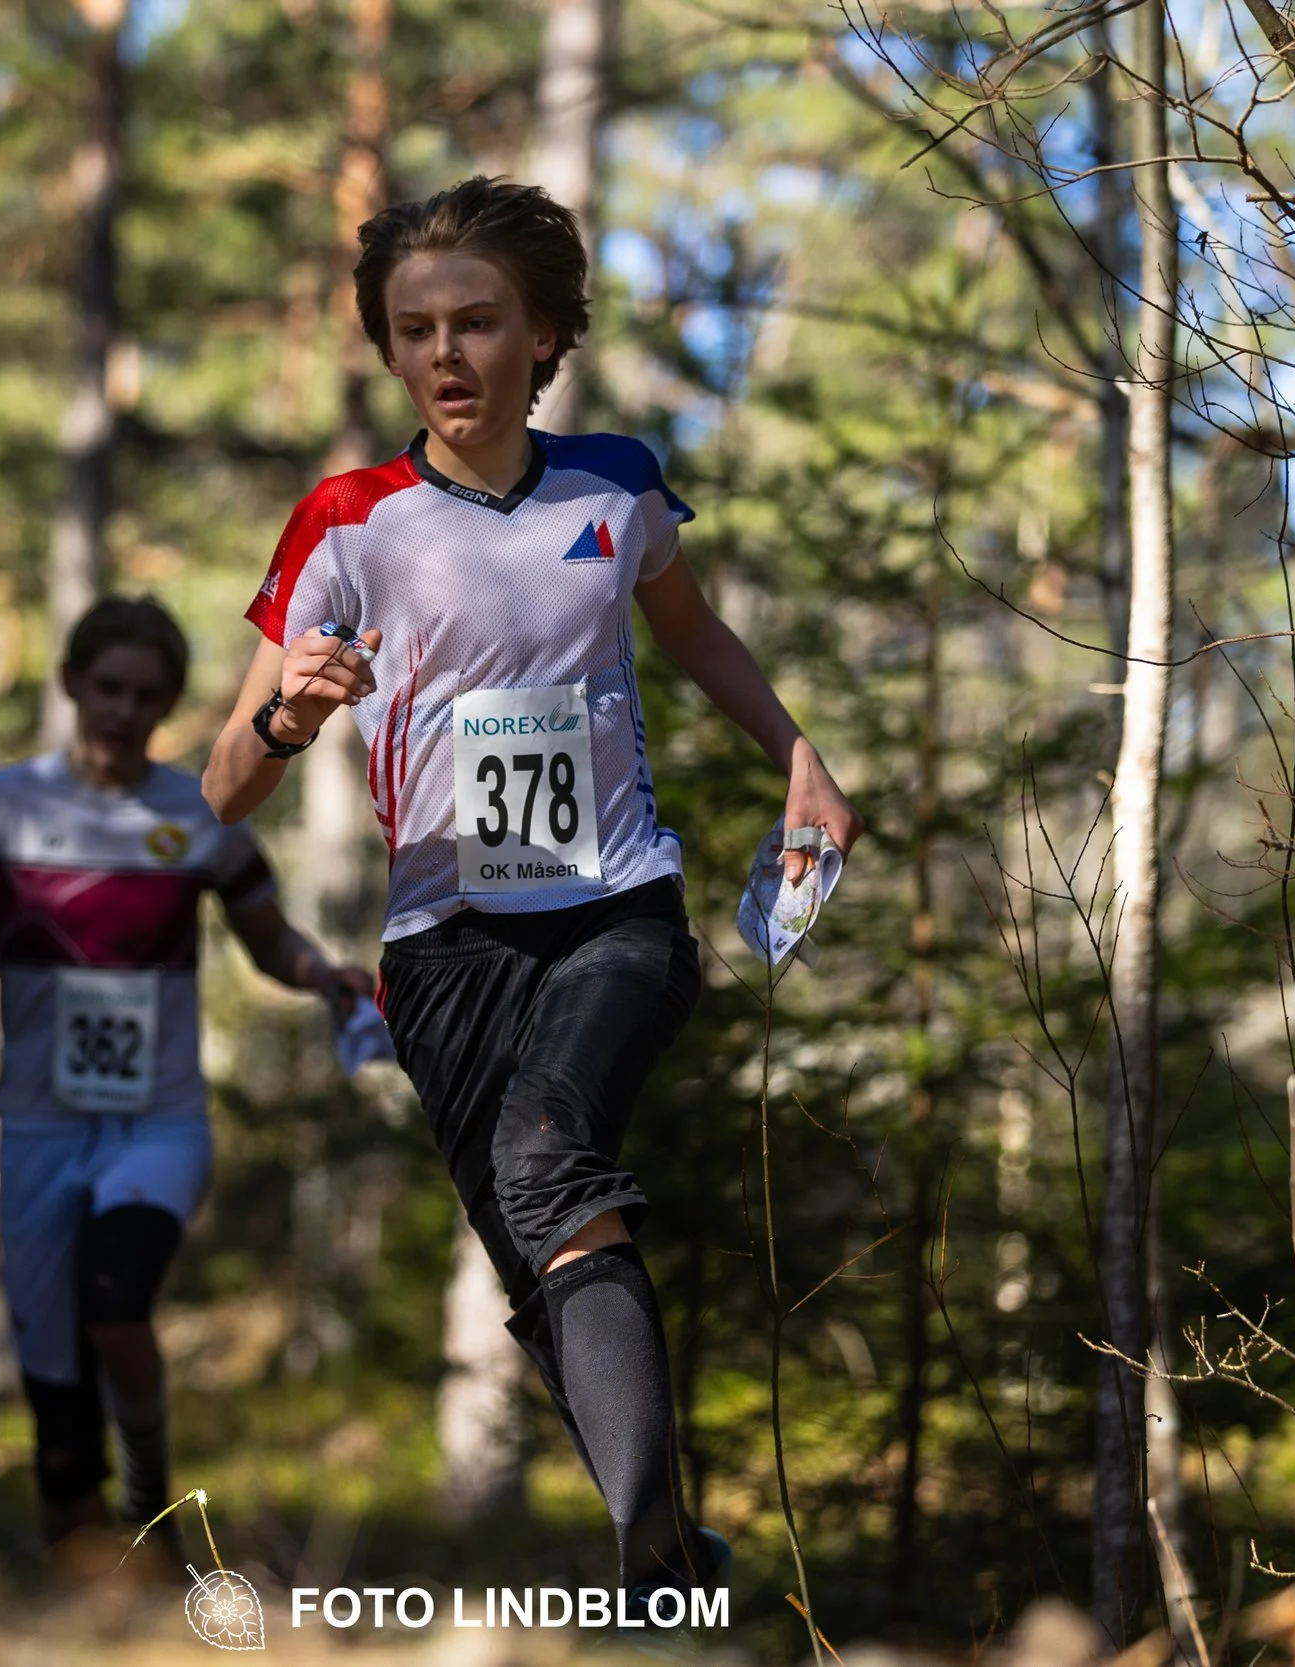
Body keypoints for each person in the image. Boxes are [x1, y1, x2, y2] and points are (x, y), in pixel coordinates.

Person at [202, 178, 863, 1614]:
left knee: (554, 1152)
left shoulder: (616, 486)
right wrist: (287, 717)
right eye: (415, 328)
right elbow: (218, 790)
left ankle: (643, 1562)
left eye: (479, 321)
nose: (447, 354)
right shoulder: (348, 521)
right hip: (444, 947)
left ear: (545, 332)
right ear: (386, 350)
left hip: (617, 905)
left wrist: (798, 756)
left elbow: (692, 633)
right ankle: (677, 1572)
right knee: (537, 1244)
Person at [0, 595, 370, 1559]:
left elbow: (269, 939)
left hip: (158, 1122)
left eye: (147, 696)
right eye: (107, 687)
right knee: (52, 1371)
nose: (123, 710)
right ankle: (79, 1560)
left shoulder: (198, 816)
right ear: (72, 683)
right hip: (38, 1126)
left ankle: (151, 1506)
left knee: (116, 1303)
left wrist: (320, 973)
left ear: (166, 706)